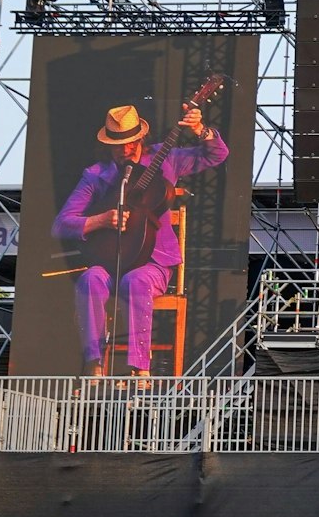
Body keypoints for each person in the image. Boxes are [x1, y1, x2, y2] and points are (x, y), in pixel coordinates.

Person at [55, 101, 227, 377]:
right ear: (107, 144)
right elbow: (62, 224)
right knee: (90, 280)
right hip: (110, 261)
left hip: (153, 262)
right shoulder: (96, 175)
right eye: (117, 144)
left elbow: (216, 155)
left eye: (130, 143)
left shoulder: (164, 158)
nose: (124, 150)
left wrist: (199, 129)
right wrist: (100, 220)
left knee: (135, 281)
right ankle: (94, 364)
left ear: (141, 138)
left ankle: (140, 369)